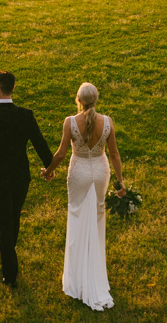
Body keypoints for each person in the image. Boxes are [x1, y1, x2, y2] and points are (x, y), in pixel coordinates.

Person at [42, 81, 123, 310]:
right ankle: (95, 274)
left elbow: (60, 154)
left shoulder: (70, 122)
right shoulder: (107, 122)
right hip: (99, 173)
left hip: (78, 173)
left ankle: (77, 280)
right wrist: (120, 183)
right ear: (96, 99)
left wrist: (48, 171)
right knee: (97, 220)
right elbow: (115, 155)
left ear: (78, 100)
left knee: (76, 219)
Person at [0, 70, 53, 288]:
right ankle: (10, 262)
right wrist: (50, 166)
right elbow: (40, 143)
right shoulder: (25, 115)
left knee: (4, 223)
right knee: (13, 219)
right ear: (12, 88)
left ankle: (9, 273)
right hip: (20, 176)